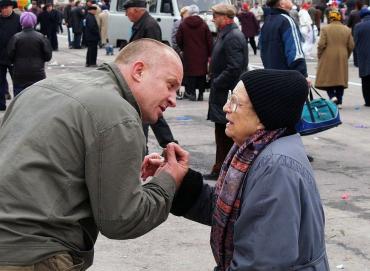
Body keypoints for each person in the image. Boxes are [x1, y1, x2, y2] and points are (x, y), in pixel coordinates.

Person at [0, 39, 187, 270]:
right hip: (35, 257)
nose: (173, 100)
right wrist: (167, 180)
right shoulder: (119, 114)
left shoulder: (43, 88)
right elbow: (121, 220)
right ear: (139, 71)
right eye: (170, 85)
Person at [146, 69, 329, 270]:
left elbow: (262, 263)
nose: (225, 108)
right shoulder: (253, 149)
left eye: (235, 102)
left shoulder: (276, 167)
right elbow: (227, 209)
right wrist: (178, 179)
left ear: (262, 117)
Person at [123, 0, 178, 152]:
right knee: (153, 112)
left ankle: (143, 149)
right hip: (141, 76)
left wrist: (148, 76)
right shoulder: (142, 23)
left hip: (146, 78)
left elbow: (153, 54)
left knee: (146, 112)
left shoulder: (149, 25)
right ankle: (169, 144)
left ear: (135, 10)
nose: (126, 15)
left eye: (127, 11)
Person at [205, 3, 248, 180]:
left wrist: (217, 82)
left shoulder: (233, 36)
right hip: (222, 91)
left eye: (215, 16)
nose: (213, 19)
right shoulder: (227, 34)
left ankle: (224, 169)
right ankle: (220, 168)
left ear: (225, 17)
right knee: (222, 132)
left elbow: (235, 67)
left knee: (226, 133)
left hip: (226, 92)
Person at [259, 0, 308, 80]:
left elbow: (262, 49)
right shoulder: (286, 20)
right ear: (282, 4)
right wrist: (303, 75)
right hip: (288, 76)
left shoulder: (267, 21)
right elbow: (295, 53)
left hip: (270, 75)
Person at [315, 10, 354, 108]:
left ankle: (332, 97)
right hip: (342, 56)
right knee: (340, 79)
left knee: (328, 78)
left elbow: (321, 44)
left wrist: (319, 55)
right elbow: (351, 45)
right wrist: (347, 55)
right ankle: (339, 101)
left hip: (328, 56)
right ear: (340, 17)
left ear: (329, 18)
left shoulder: (325, 29)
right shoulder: (347, 29)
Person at [7, 12, 52, 96]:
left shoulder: (16, 37)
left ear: (21, 22)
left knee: (19, 98)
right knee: (37, 97)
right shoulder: (41, 37)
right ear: (34, 22)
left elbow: (10, 54)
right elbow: (48, 56)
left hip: (19, 73)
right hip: (38, 72)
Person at [176, 4, 212, 101]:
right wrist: (209, 53)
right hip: (202, 55)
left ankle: (191, 93)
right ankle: (200, 94)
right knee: (201, 74)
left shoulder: (183, 24)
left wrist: (183, 48)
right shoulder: (204, 24)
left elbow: (178, 38)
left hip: (189, 54)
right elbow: (209, 40)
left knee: (190, 74)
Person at [0, 0, 21, 111]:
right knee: (0, 82)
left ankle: (17, 106)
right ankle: (1, 104)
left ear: (11, 7)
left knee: (17, 82)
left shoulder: (18, 19)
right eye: (2, 8)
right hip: (0, 57)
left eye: (6, 7)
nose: (4, 10)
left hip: (14, 57)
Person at [353, 6, 370, 107]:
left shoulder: (358, 26)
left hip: (363, 57)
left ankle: (368, 101)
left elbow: (355, 42)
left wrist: (356, 60)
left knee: (365, 80)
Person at [347, 0, 364, 67]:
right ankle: (362, 61)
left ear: (356, 5)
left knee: (355, 47)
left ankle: (356, 62)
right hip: (363, 31)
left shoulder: (353, 13)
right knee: (363, 46)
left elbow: (349, 24)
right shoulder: (364, 12)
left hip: (355, 32)